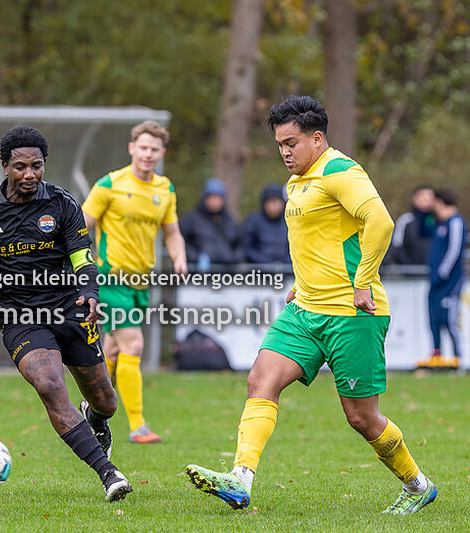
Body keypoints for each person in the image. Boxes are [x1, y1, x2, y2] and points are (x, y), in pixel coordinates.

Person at [185, 95, 437, 515]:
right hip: (305, 310)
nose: (284, 152)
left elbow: (381, 222)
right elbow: (317, 239)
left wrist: (362, 282)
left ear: (317, 138)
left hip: (354, 314)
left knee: (361, 418)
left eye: (292, 143)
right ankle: (240, 479)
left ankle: (417, 484)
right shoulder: (296, 181)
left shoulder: (340, 170)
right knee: (260, 381)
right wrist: (299, 283)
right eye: (279, 144)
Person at [0, 125, 132, 501]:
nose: (30, 175)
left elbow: (81, 254)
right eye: (21, 167)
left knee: (106, 400)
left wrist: (90, 291)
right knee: (49, 384)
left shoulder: (61, 204)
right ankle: (109, 475)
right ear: (5, 166)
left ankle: (94, 417)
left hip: (70, 308)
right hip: (18, 316)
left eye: (37, 166)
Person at [82, 120, 187, 444]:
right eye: (142, 147)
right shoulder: (110, 184)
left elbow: (171, 231)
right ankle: (138, 425)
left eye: (154, 149)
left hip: (141, 282)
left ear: (161, 153)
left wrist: (179, 257)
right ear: (132, 148)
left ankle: (90, 407)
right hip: (111, 277)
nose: (147, 154)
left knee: (112, 350)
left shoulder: (164, 188)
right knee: (134, 345)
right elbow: (82, 225)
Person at [425, 188, 466, 363]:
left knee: (449, 319)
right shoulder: (437, 223)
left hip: (450, 282)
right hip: (435, 281)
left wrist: (443, 272)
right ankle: (437, 355)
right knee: (433, 318)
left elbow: (455, 250)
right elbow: (422, 227)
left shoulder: (456, 222)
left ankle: (458, 358)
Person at [179, 177, 242, 267]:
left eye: (218, 198)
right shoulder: (191, 219)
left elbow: (240, 244)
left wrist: (232, 258)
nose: (214, 201)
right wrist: (196, 257)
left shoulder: (230, 221)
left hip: (226, 273)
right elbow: (180, 241)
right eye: (211, 197)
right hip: (198, 272)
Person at [241, 184, 290, 264]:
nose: (273, 206)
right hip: (260, 271)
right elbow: (247, 248)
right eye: (270, 202)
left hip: (286, 270)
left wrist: (285, 262)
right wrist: (266, 262)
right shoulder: (253, 221)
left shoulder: (289, 221)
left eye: (276, 202)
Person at [390, 186, 435, 265]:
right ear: (414, 198)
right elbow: (396, 245)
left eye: (429, 196)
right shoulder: (406, 220)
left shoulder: (440, 222)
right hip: (411, 273)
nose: (426, 199)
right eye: (422, 195)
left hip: (436, 274)